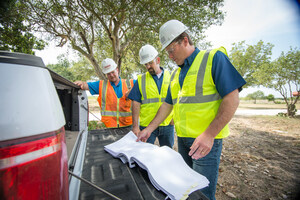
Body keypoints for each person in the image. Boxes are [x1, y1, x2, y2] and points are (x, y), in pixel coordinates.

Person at [137, 20, 246, 200]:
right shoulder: (176, 74)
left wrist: (209, 135)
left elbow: (232, 98)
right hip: (184, 141)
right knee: (187, 190)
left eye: (171, 50)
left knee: (202, 195)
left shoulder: (214, 58)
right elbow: (167, 105)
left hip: (205, 144)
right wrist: (148, 129)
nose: (170, 56)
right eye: (167, 52)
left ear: (185, 41)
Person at [128, 44, 174, 148]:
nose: (148, 66)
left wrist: (174, 118)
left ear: (158, 60)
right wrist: (135, 127)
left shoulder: (171, 77)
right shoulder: (141, 79)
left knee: (167, 154)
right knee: (144, 154)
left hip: (167, 124)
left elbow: (177, 99)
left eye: (150, 63)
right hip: (147, 126)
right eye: (145, 64)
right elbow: (135, 103)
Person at [74, 58, 135, 128]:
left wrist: (133, 91)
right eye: (108, 74)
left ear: (117, 70)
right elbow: (86, 85)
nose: (111, 75)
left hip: (129, 125)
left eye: (113, 72)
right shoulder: (101, 85)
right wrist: (81, 83)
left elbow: (142, 85)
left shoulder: (131, 83)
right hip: (109, 126)